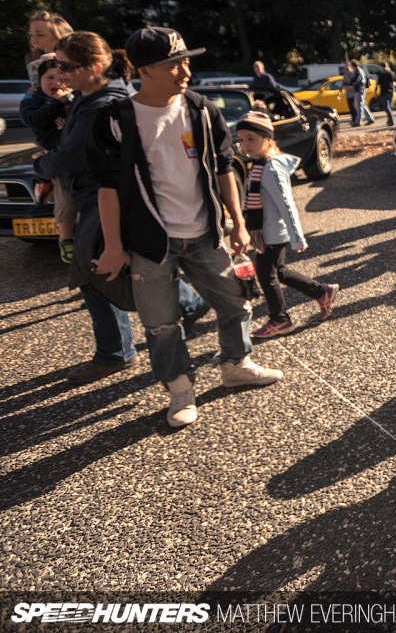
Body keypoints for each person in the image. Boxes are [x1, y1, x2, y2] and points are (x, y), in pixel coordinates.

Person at [90, 26, 281, 428]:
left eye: (186, 61)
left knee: (237, 301)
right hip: (149, 240)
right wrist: (113, 245)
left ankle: (236, 365)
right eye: (174, 64)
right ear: (145, 70)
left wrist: (238, 222)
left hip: (205, 232)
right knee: (161, 323)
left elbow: (225, 167)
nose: (186, 71)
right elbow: (106, 188)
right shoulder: (116, 119)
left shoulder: (201, 109)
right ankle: (180, 390)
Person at [32, 32, 138, 384]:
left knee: (91, 271)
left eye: (65, 66)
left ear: (94, 67)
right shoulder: (84, 97)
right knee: (112, 270)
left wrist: (41, 165)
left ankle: (115, 352)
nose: (59, 72)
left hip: (103, 195)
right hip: (90, 194)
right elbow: (60, 141)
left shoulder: (102, 104)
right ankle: (190, 303)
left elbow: (72, 155)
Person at [235, 111, 339, 338]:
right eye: (241, 140)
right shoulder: (259, 164)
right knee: (279, 272)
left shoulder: (270, 168)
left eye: (251, 139)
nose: (245, 145)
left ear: (267, 139)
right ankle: (322, 292)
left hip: (272, 233)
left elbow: (286, 204)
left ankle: (280, 320)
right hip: (266, 231)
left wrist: (297, 237)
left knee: (267, 277)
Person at [21, 54, 77, 262]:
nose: (56, 83)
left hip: (77, 153)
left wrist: (70, 100)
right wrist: (57, 103)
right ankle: (66, 240)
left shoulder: (75, 96)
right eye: (49, 78)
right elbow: (34, 120)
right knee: (64, 198)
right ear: (39, 80)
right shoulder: (33, 99)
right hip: (56, 157)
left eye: (61, 79)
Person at [26, 10, 73, 85]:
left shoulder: (74, 60)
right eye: (31, 35)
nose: (33, 40)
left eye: (40, 35)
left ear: (58, 35)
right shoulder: (35, 62)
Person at [343, 59, 373, 126]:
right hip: (359, 90)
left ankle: (358, 121)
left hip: (359, 90)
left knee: (359, 106)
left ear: (353, 65)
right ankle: (370, 118)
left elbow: (356, 81)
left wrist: (350, 83)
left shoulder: (358, 71)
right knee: (362, 105)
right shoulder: (358, 71)